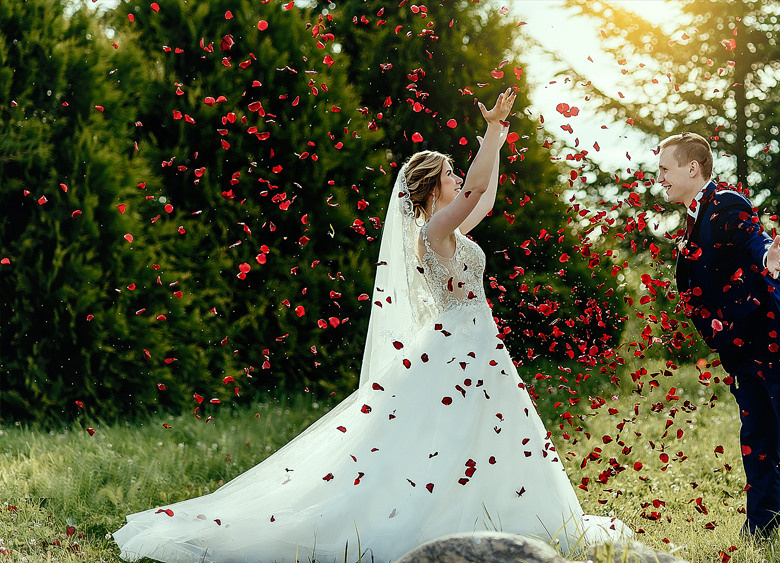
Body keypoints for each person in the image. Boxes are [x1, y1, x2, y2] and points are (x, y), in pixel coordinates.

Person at [113, 89, 630, 563]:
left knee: (479, 439)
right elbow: (474, 194)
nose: (457, 180)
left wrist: (499, 137)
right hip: (460, 349)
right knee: (447, 441)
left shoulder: (446, 227)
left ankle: (500, 517)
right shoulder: (434, 229)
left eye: (455, 172)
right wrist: (494, 130)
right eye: (449, 174)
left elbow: (485, 197)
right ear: (432, 188)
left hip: (477, 347)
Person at [656, 132, 780, 541]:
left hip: (775, 345)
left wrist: (769, 254)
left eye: (665, 169)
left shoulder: (728, 203)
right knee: (757, 444)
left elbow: (755, 238)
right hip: (742, 351)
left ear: (692, 168)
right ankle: (761, 536)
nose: (659, 177)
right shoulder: (692, 222)